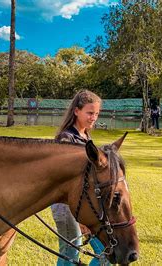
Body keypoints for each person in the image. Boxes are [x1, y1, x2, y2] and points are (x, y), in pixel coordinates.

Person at [53, 90, 109, 266]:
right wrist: (80, 219)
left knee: (105, 251)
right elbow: (64, 181)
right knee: (70, 250)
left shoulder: (85, 137)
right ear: (77, 111)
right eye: (90, 113)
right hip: (66, 206)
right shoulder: (66, 138)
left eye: (97, 114)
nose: (94, 117)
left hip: (84, 206)